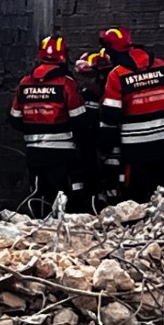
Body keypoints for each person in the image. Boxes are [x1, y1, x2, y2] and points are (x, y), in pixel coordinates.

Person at [99, 27, 164, 204]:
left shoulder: (117, 75)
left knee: (135, 200)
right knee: (163, 197)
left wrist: (105, 150)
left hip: (134, 152)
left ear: (111, 51)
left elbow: (110, 117)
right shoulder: (161, 66)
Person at [9, 36, 87, 217]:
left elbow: (14, 119)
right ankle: (62, 229)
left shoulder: (25, 83)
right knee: (62, 193)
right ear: (63, 57)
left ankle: (37, 226)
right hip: (61, 151)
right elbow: (79, 119)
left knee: (37, 193)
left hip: (34, 153)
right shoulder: (66, 83)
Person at [73, 49, 120, 211]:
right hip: (88, 148)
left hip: (110, 149)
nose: (84, 83)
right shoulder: (85, 97)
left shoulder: (111, 96)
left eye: (88, 78)